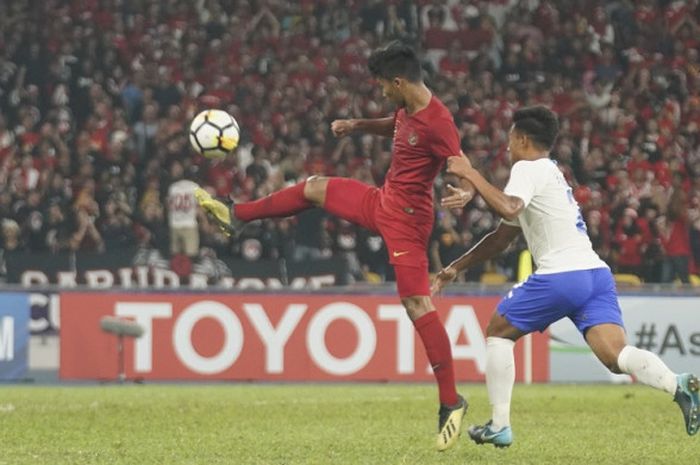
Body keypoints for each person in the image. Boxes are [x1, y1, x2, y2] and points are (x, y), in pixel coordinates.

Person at [195, 41, 474, 451]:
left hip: (408, 222)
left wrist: (465, 190)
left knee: (417, 304)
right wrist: (357, 125)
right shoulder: (407, 108)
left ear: (398, 82)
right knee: (315, 187)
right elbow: (395, 124)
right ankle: (237, 216)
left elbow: (460, 163)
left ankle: (451, 401)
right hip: (383, 200)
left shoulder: (439, 121)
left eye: (382, 85)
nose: (380, 91)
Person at [433, 105, 699, 448]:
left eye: (511, 138)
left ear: (523, 139)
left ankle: (499, 424)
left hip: (563, 274)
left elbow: (509, 207)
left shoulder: (526, 169)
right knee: (616, 357)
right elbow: (502, 236)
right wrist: (457, 266)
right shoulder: (550, 173)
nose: (508, 145)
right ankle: (679, 384)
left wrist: (470, 173)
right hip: (594, 274)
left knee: (498, 331)